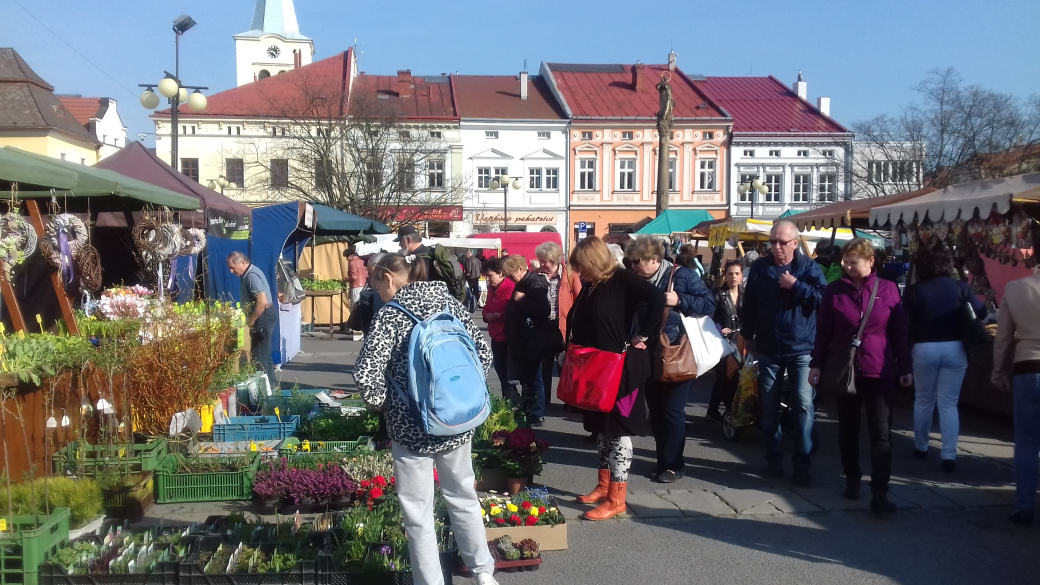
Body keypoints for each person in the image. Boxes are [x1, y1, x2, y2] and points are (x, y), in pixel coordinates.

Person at [354, 254, 498, 585]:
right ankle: (482, 573)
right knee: (463, 496)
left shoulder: (390, 316)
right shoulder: (451, 305)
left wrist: (381, 404)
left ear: (388, 279)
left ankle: (430, 582)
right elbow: (484, 355)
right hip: (456, 422)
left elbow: (366, 372)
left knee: (418, 512)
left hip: (411, 427)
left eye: (378, 288)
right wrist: (457, 395)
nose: (380, 295)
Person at [809, 238, 912, 513]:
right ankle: (852, 479)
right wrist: (816, 364)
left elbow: (900, 331)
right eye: (846, 261)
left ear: (870, 262)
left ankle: (880, 492)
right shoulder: (835, 291)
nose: (847, 265)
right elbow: (824, 331)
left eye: (853, 261)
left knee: (881, 433)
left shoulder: (888, 290)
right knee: (848, 428)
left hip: (880, 369)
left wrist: (906, 367)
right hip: (846, 368)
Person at [567, 237, 665, 520]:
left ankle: (617, 499)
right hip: (596, 368)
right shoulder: (593, 285)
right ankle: (604, 485)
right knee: (601, 428)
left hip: (621, 369)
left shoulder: (621, 278)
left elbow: (657, 298)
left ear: (595, 262)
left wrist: (643, 335)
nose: (580, 273)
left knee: (618, 430)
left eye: (583, 267)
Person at [741, 220, 828, 485]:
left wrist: (796, 286)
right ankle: (774, 457)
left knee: (803, 405)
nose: (776, 247)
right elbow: (750, 305)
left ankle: (802, 461)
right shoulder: (760, 268)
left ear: (794, 243)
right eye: (773, 242)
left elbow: (824, 301)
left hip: (802, 349)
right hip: (768, 348)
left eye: (782, 242)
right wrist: (745, 334)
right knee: (768, 406)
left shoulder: (808, 268)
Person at [630, 236, 715, 483]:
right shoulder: (637, 281)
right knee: (655, 412)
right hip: (648, 354)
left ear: (654, 260)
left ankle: (675, 466)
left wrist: (680, 300)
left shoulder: (683, 276)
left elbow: (708, 303)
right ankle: (662, 462)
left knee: (672, 411)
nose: (633, 265)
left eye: (637, 261)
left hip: (677, 353)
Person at [903, 242, 986, 473]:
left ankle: (921, 447)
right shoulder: (960, 287)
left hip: (924, 348)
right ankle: (949, 454)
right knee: (948, 403)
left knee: (923, 400)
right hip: (955, 348)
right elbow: (981, 313)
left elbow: (904, 320)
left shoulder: (914, 291)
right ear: (947, 263)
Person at [992, 237, 1040, 527]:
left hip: (1027, 366)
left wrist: (997, 371)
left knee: (1026, 440)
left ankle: (1024, 505)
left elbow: (1003, 338)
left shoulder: (1016, 288)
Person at [501, 254, 551, 425]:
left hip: (531, 339)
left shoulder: (533, 284)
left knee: (534, 377)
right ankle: (530, 409)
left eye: (511, 274)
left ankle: (536, 412)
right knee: (528, 377)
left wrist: (522, 300)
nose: (510, 278)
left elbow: (543, 311)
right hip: (523, 339)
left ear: (521, 269)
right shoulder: (524, 283)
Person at [536, 241, 582, 408]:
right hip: (543, 328)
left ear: (555, 260)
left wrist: (576, 326)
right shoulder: (536, 275)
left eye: (545, 261)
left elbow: (579, 300)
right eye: (540, 260)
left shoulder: (570, 275)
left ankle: (568, 401)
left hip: (563, 327)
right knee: (544, 367)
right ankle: (544, 400)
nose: (541, 264)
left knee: (566, 367)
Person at [227, 252, 277, 387]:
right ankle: (273, 389)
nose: (232, 271)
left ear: (243, 263)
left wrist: (251, 321)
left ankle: (262, 396)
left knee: (259, 358)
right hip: (266, 315)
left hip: (263, 316)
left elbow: (262, 301)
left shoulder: (251, 276)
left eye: (233, 267)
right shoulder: (250, 274)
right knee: (265, 356)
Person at [707, 260, 744, 422]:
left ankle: (723, 407)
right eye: (730, 273)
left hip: (742, 340)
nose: (733, 277)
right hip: (722, 341)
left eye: (737, 273)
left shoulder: (746, 294)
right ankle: (722, 408)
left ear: (742, 276)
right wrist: (719, 328)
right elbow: (708, 317)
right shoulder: (717, 294)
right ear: (725, 276)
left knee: (738, 373)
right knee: (724, 374)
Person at [395, 225, 467, 302]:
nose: (399, 245)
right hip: (442, 299)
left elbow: (421, 286)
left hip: (430, 303)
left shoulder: (420, 258)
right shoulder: (430, 252)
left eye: (400, 241)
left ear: (409, 240)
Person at [481, 257, 517, 401]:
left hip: (507, 335)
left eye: (490, 275)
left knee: (508, 372)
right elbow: (487, 307)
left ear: (500, 273)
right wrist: (486, 315)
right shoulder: (491, 288)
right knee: (500, 370)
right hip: (495, 335)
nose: (488, 279)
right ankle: (511, 398)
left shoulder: (510, 287)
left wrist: (499, 316)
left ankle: (511, 400)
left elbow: (512, 310)